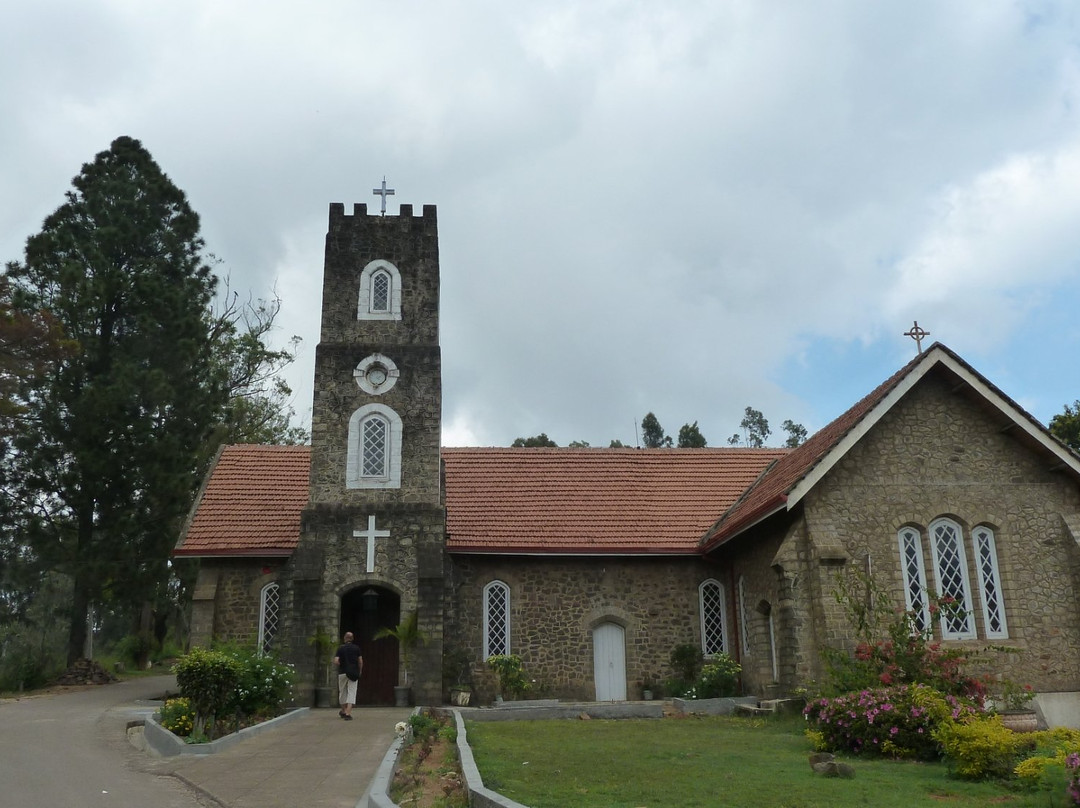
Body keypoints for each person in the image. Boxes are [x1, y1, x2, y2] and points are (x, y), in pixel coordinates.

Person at [333, 631, 363, 720]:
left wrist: (342, 665)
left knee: (342, 692)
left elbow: (336, 661)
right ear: (352, 639)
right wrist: (360, 671)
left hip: (343, 672)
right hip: (353, 672)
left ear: (345, 638)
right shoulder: (356, 648)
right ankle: (348, 713)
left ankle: (343, 710)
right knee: (352, 692)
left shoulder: (340, 648)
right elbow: (360, 661)